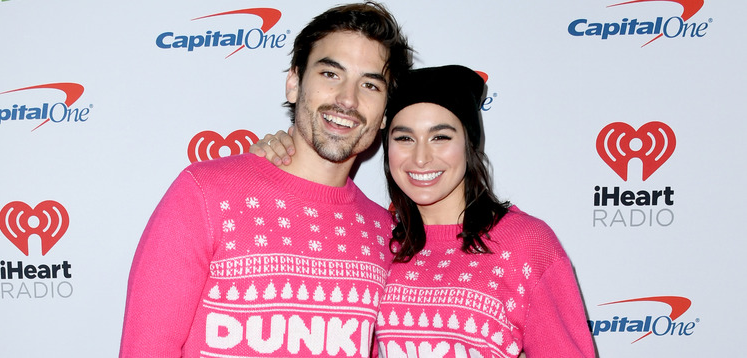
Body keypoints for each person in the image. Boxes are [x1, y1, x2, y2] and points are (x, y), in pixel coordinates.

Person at [119, 1, 413, 358]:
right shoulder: (205, 195)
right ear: (293, 83)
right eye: (330, 74)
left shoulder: (385, 233)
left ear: (384, 115)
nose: (347, 100)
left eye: (370, 85)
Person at [252, 65, 595, 357]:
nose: (420, 158)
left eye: (440, 137)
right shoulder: (377, 240)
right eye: (404, 139)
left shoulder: (525, 244)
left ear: (469, 144)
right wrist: (275, 160)